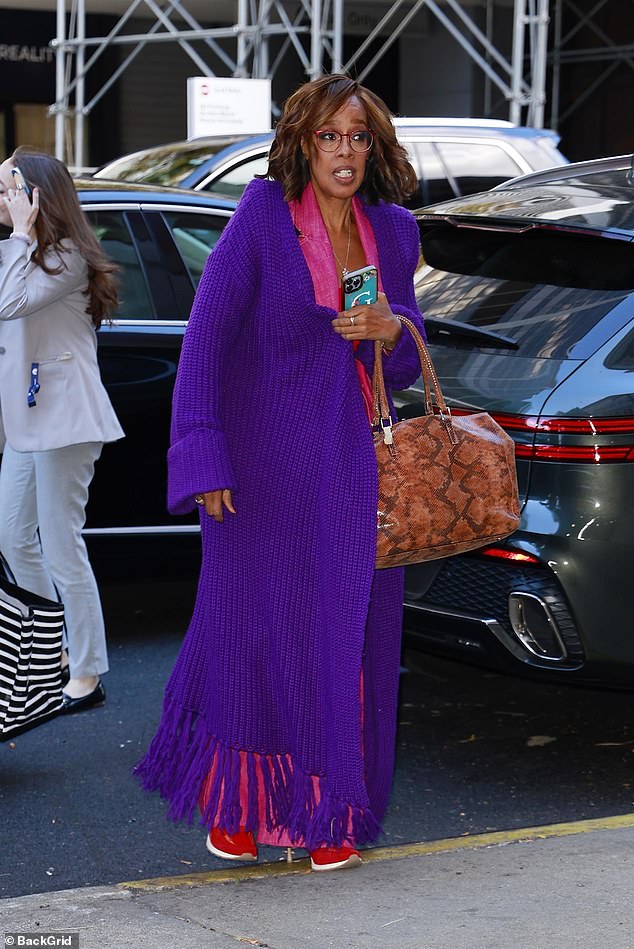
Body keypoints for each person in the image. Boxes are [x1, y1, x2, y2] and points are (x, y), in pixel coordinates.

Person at [136, 74, 425, 871]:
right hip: (255, 477)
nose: (345, 151)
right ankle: (242, 805)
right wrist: (202, 454)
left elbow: (402, 362)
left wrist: (391, 326)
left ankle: (330, 810)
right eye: (329, 136)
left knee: (342, 632)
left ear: (375, 146)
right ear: (301, 142)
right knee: (251, 636)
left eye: (359, 137)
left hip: (346, 471)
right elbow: (206, 336)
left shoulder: (393, 232)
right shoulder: (263, 215)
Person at [0, 148, 124, 713]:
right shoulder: (28, 254)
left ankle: (88, 672)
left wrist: (22, 238)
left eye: (8, 188)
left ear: (35, 197)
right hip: (27, 420)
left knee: (61, 548)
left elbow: (8, 304)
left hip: (67, 420)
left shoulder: (66, 257)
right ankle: (50, 657)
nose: (2, 199)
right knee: (13, 540)